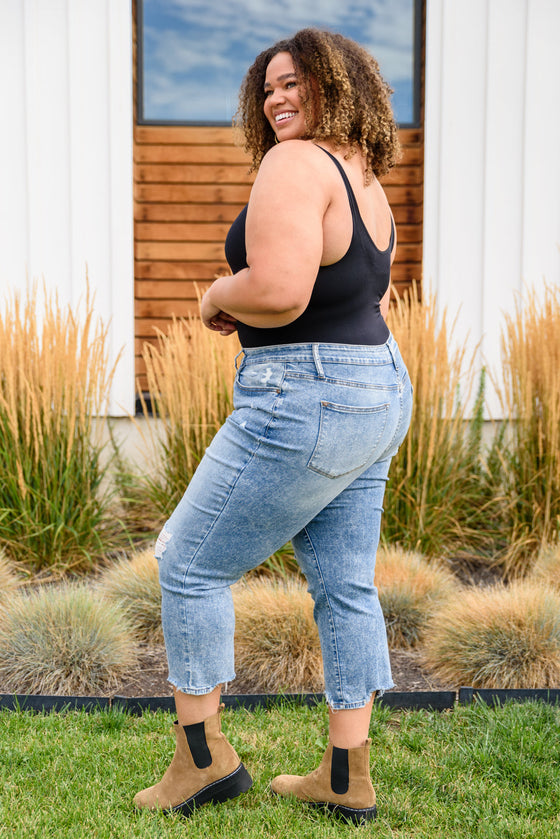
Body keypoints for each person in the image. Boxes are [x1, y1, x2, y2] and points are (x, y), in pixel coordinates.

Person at [133, 28, 412, 824]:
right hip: (376, 389)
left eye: (297, 83)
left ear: (338, 84)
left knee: (188, 561)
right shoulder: (362, 174)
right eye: (268, 88)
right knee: (345, 582)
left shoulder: (294, 164)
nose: (279, 98)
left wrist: (217, 297)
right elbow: (372, 296)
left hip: (305, 396)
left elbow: (283, 291)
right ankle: (345, 774)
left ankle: (202, 761)